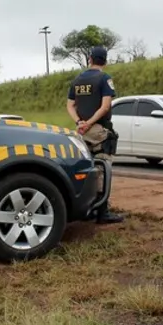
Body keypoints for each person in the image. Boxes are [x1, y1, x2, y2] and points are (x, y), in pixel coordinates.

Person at [67, 46, 124, 224]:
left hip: (81, 131)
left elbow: (70, 105)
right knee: (103, 169)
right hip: (99, 130)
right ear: (105, 61)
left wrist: (79, 123)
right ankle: (102, 212)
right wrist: (91, 123)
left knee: (86, 169)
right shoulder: (104, 79)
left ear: (90, 59)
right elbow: (105, 106)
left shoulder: (77, 80)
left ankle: (87, 208)